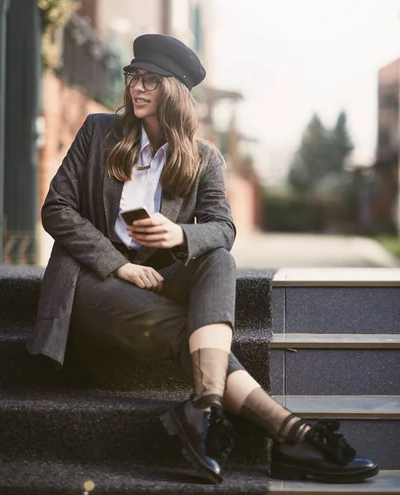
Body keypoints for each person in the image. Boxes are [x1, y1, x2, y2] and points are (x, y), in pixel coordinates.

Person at [27, 34, 379, 485]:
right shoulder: (98, 132)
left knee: (219, 260)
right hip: (90, 283)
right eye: (133, 77)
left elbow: (223, 229)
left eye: (149, 80)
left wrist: (178, 234)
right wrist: (117, 264)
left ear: (172, 91)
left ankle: (206, 407)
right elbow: (56, 208)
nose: (136, 87)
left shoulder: (204, 158)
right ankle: (292, 433)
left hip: (158, 275)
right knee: (187, 331)